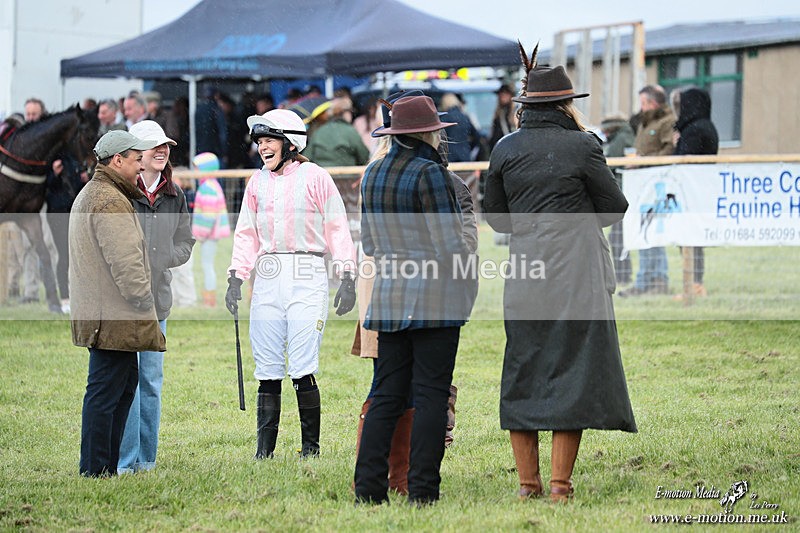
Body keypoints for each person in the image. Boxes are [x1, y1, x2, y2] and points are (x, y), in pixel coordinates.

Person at [483, 52, 637, 502]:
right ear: (566, 103)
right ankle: (559, 487)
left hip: (527, 272)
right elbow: (614, 207)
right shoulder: (584, 144)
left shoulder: (504, 148)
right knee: (573, 371)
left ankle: (527, 486)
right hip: (577, 273)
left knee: (524, 369)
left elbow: (498, 219)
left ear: (526, 106)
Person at [352, 92, 478, 496]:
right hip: (434, 297)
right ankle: (423, 490)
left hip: (389, 294)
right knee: (431, 396)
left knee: (387, 395)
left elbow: (370, 243)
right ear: (427, 133)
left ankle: (368, 488)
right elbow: (450, 246)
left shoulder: (372, 172)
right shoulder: (432, 173)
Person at [226, 109, 357, 460]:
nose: (262, 147)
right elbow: (246, 232)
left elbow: (337, 227)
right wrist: (236, 276)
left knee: (302, 366)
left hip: (308, 272)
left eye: (269, 140)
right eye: (259, 141)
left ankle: (310, 450)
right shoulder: (257, 182)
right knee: (267, 367)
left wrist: (347, 275)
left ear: (290, 142)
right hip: (267, 276)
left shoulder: (316, 177)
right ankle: (263, 452)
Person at [69, 130, 165, 477]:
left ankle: (103, 467)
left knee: (121, 388)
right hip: (112, 316)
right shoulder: (109, 199)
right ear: (117, 160)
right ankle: (95, 470)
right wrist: (143, 298)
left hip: (103, 313)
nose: (142, 166)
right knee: (106, 393)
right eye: (136, 159)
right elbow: (126, 264)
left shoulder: (97, 191)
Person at [118, 120, 194, 474]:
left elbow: (186, 243)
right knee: (126, 384)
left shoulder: (174, 194)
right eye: (154, 146)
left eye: (165, 145)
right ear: (137, 154)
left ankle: (146, 462)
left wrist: (165, 257)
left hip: (158, 302)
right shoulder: (119, 193)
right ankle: (124, 461)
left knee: (151, 382)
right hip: (122, 302)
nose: (162, 150)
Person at [619, 85, 676, 297]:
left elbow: (668, 149)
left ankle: (656, 279)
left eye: (644, 103)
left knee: (654, 231)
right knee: (644, 231)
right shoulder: (646, 122)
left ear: (653, 103)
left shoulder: (666, 122)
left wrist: (646, 162)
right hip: (642, 183)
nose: (641, 108)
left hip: (656, 182)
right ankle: (646, 280)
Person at [673, 87, 718, 298]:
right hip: (700, 189)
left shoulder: (695, 130)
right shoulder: (707, 126)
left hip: (691, 191)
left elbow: (683, 158)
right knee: (693, 239)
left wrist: (676, 146)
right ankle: (695, 283)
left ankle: (693, 284)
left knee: (690, 239)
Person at [45, 149, 89, 312]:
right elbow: (46, 188)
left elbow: (79, 190)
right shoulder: (51, 157)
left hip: (75, 212)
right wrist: (54, 175)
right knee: (64, 255)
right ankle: (64, 298)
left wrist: (84, 180)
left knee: (80, 255)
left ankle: (80, 296)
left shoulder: (74, 158)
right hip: (58, 214)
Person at [191, 152, 230, 307]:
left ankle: (209, 299)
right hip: (211, 234)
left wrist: (200, 234)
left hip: (208, 235)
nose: (194, 171)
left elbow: (208, 216)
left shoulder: (207, 188)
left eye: (197, 168)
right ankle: (209, 296)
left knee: (207, 265)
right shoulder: (212, 185)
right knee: (208, 264)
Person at [600, 115, 636, 284]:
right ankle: (622, 274)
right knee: (618, 237)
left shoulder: (622, 139)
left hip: (623, 191)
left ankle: (622, 275)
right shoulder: (623, 137)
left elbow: (609, 161)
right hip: (623, 191)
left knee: (618, 237)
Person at [304, 97, 370, 168]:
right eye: (351, 111)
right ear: (345, 113)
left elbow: (307, 157)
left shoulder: (319, 131)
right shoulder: (350, 131)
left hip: (323, 175)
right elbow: (364, 157)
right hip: (348, 176)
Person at [438, 93, 481, 163]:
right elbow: (477, 136)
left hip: (450, 157)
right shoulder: (465, 117)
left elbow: (439, 138)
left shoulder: (444, 118)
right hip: (465, 156)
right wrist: (469, 148)